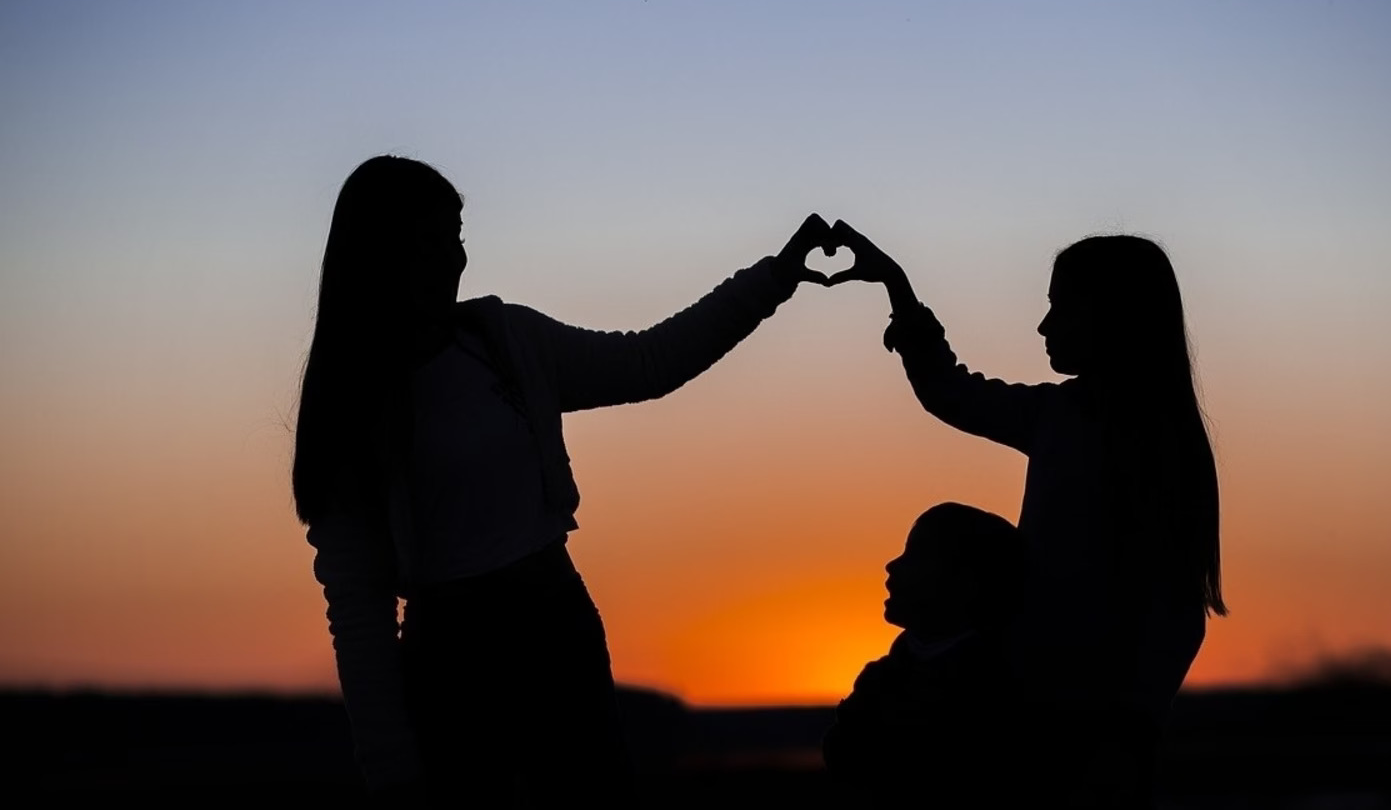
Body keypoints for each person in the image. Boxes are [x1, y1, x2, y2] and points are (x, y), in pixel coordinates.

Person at [291, 156, 837, 806]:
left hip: (560, 636)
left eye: (456, 238)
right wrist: (391, 771)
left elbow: (648, 362)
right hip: (455, 670)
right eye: (427, 245)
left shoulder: (506, 341)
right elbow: (358, 610)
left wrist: (774, 278)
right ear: (378, 256)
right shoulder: (350, 409)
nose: (452, 261)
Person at [826, 222, 1228, 807]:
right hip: (1022, 713)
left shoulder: (1159, 448)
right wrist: (897, 289)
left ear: (1114, 316)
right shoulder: (1058, 414)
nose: (1043, 325)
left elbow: (1176, 611)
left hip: (1088, 742)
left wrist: (1130, 735)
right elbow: (950, 391)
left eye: (1060, 308)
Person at [824, 502, 1027, 808]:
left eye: (915, 554)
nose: (891, 565)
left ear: (966, 582)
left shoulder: (992, 682)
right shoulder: (879, 677)